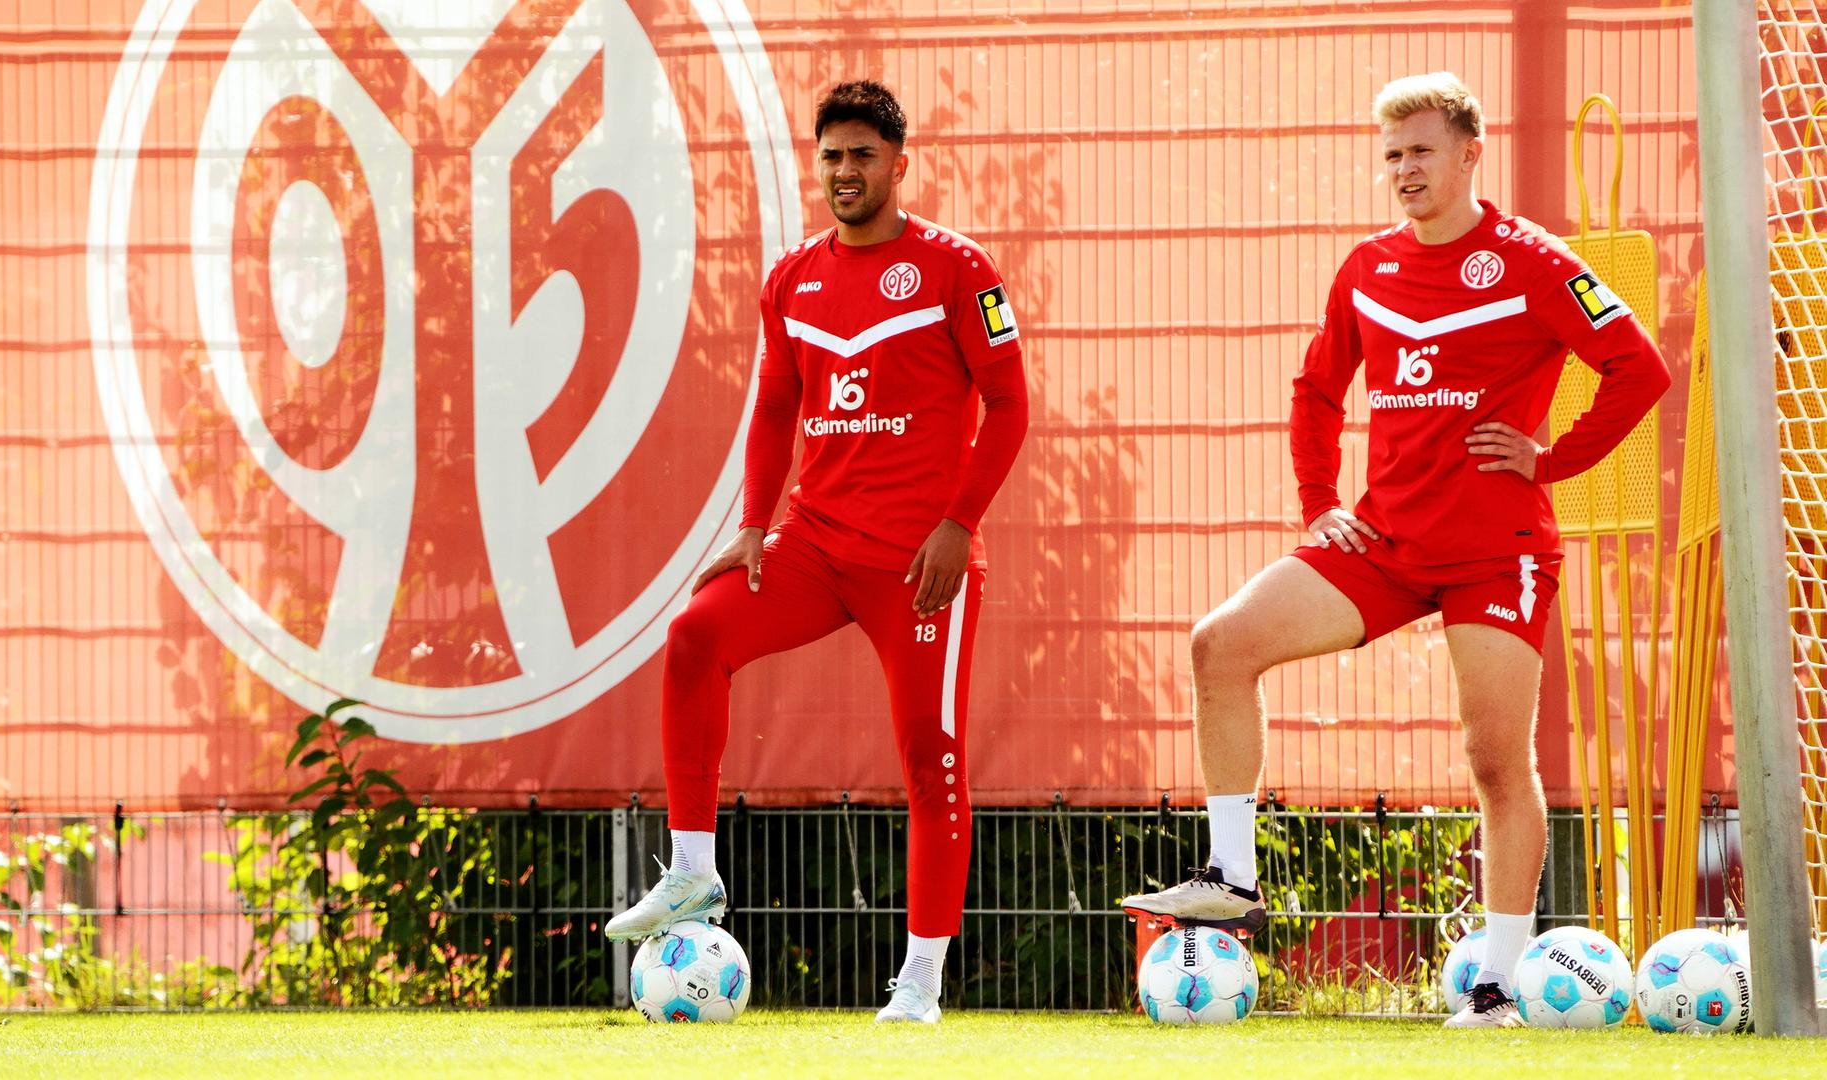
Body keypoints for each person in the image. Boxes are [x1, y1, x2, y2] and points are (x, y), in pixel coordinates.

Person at [1118, 72, 1669, 1029]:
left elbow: (1640, 369)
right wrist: (1319, 503)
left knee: (1496, 761)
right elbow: (1316, 390)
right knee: (1220, 645)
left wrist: (1552, 460)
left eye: (1420, 151)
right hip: (1383, 544)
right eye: (1392, 156)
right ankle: (1234, 877)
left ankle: (1497, 987)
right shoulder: (1368, 267)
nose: (1404, 170)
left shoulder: (1535, 261)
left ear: (1469, 155)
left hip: (1498, 552)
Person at [603, 80, 1030, 1025]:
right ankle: (692, 874)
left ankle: (919, 981)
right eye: (832, 155)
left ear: (898, 165)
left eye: (863, 156)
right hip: (813, 547)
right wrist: (755, 523)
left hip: (920, 565)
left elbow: (1010, 407)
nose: (845, 171)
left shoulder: (961, 271)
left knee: (932, 760)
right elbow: (772, 408)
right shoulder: (792, 277)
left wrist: (959, 524)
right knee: (693, 638)